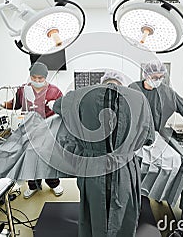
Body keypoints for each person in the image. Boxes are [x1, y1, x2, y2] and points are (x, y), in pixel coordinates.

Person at [52, 71, 155, 237]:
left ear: (102, 82)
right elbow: (149, 138)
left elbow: (57, 106)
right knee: (124, 216)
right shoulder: (139, 99)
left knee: (93, 214)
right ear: (122, 84)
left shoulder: (80, 96)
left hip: (92, 169)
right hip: (125, 169)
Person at [1, 62, 64, 198]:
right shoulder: (23, 90)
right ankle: (33, 185)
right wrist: (2, 105)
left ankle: (54, 183)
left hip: (49, 131)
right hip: (29, 130)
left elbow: (63, 107)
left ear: (45, 78)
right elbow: (15, 104)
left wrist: (55, 106)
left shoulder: (55, 91)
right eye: (34, 78)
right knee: (30, 160)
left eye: (40, 78)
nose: (36, 81)